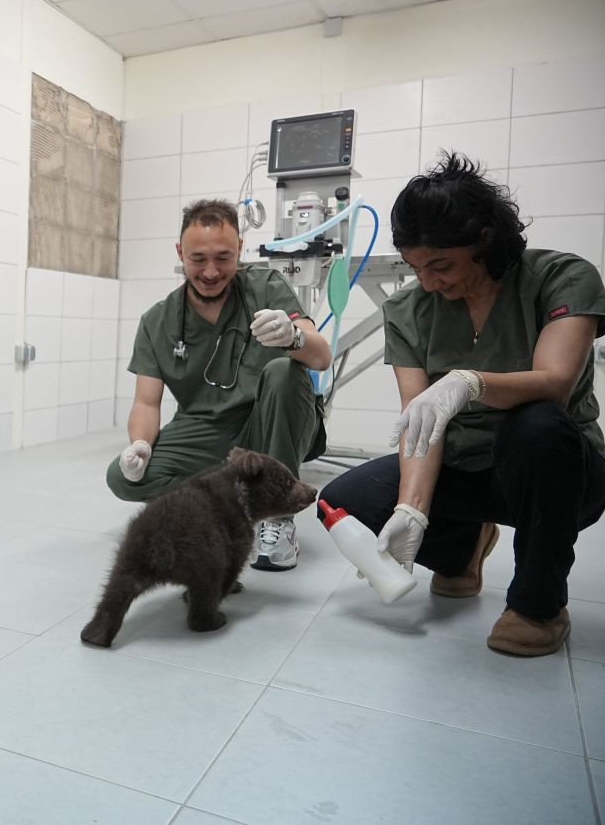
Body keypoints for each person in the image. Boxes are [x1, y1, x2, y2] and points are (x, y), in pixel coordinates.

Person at [318, 153, 605, 657]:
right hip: (464, 464)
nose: (429, 282)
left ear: (484, 240)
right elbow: (418, 423)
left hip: (557, 469)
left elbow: (556, 383)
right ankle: (461, 552)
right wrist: (411, 509)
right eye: (416, 268)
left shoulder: (561, 277)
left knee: (537, 424)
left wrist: (470, 383)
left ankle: (538, 606)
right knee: (346, 501)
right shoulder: (409, 310)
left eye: (441, 266)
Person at [107, 198, 333, 570]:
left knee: (285, 371)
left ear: (240, 249)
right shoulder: (157, 320)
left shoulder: (266, 287)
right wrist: (141, 445)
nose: (211, 272)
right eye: (198, 259)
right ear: (180, 253)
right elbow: (146, 402)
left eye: (223, 258)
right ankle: (225, 509)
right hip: (206, 432)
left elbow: (321, 357)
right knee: (122, 478)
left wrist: (295, 337)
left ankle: (278, 521)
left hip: (266, 424)